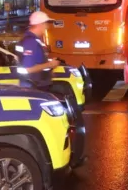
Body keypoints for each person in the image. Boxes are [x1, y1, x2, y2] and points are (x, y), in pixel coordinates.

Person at [18, 11, 87, 168]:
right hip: (35, 89)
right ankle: (58, 162)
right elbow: (28, 68)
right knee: (53, 126)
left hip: (38, 87)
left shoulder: (34, 40)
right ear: (40, 24)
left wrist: (49, 65)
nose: (47, 26)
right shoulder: (31, 42)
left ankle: (67, 159)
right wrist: (49, 65)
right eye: (46, 23)